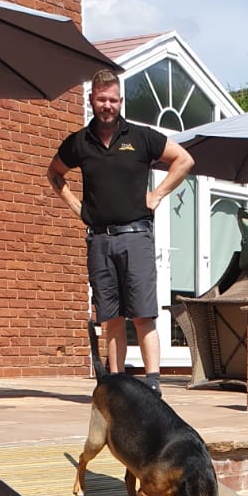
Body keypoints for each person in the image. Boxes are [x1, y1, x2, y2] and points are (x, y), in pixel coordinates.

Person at [47, 69, 195, 391]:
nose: (107, 105)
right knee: (111, 317)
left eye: (113, 100)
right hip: (100, 241)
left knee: (143, 315)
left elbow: (183, 160)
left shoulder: (140, 137)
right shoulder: (79, 142)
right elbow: (54, 173)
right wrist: (76, 207)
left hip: (136, 237)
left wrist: (157, 194)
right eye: (102, 99)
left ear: (120, 101)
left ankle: (152, 385)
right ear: (91, 100)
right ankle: (117, 387)